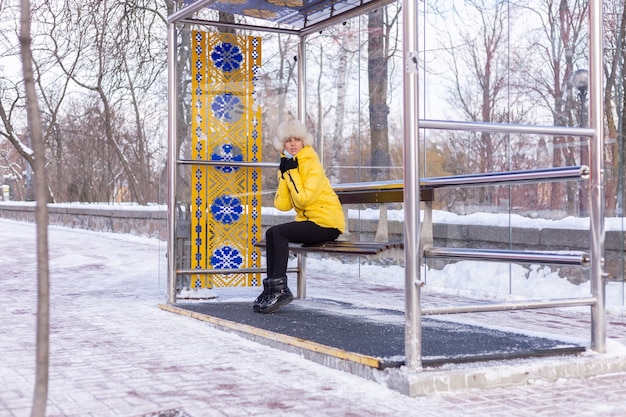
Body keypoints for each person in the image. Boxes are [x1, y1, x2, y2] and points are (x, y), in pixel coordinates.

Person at [254, 119, 345, 314]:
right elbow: (282, 204)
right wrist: (285, 175)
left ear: (304, 142)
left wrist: (292, 173)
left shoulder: (312, 163)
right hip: (310, 222)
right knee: (271, 232)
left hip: (327, 223)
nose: (293, 144)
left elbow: (303, 200)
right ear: (283, 145)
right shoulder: (290, 165)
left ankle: (280, 290)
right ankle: (271, 289)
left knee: (278, 233)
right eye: (288, 141)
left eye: (297, 139)